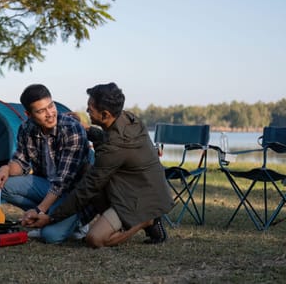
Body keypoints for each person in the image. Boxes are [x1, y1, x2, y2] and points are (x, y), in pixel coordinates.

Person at [22, 82, 174, 248]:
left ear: (105, 114)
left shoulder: (113, 149)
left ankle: (146, 220)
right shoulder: (128, 118)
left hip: (140, 197)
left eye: (90, 108)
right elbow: (108, 139)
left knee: (95, 239)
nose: (87, 111)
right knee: (87, 170)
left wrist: (52, 217)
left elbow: (87, 188)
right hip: (134, 184)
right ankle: (116, 219)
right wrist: (87, 129)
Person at [0, 84, 92, 244]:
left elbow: (62, 182)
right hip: (46, 186)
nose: (50, 114)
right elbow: (21, 163)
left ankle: (76, 222)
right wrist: (6, 168)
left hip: (73, 194)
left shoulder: (72, 129)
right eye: (41, 111)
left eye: (51, 106)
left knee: (50, 236)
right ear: (29, 114)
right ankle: (49, 216)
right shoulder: (26, 128)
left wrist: (39, 210)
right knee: (3, 186)